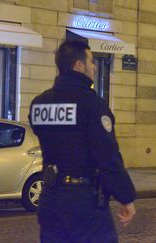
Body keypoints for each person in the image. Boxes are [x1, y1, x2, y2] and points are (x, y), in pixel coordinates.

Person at [28, 40, 136, 242]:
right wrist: (125, 197)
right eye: (92, 61)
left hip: (50, 197)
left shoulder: (39, 104)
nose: (94, 67)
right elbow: (107, 157)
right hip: (84, 202)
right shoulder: (92, 105)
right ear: (79, 65)